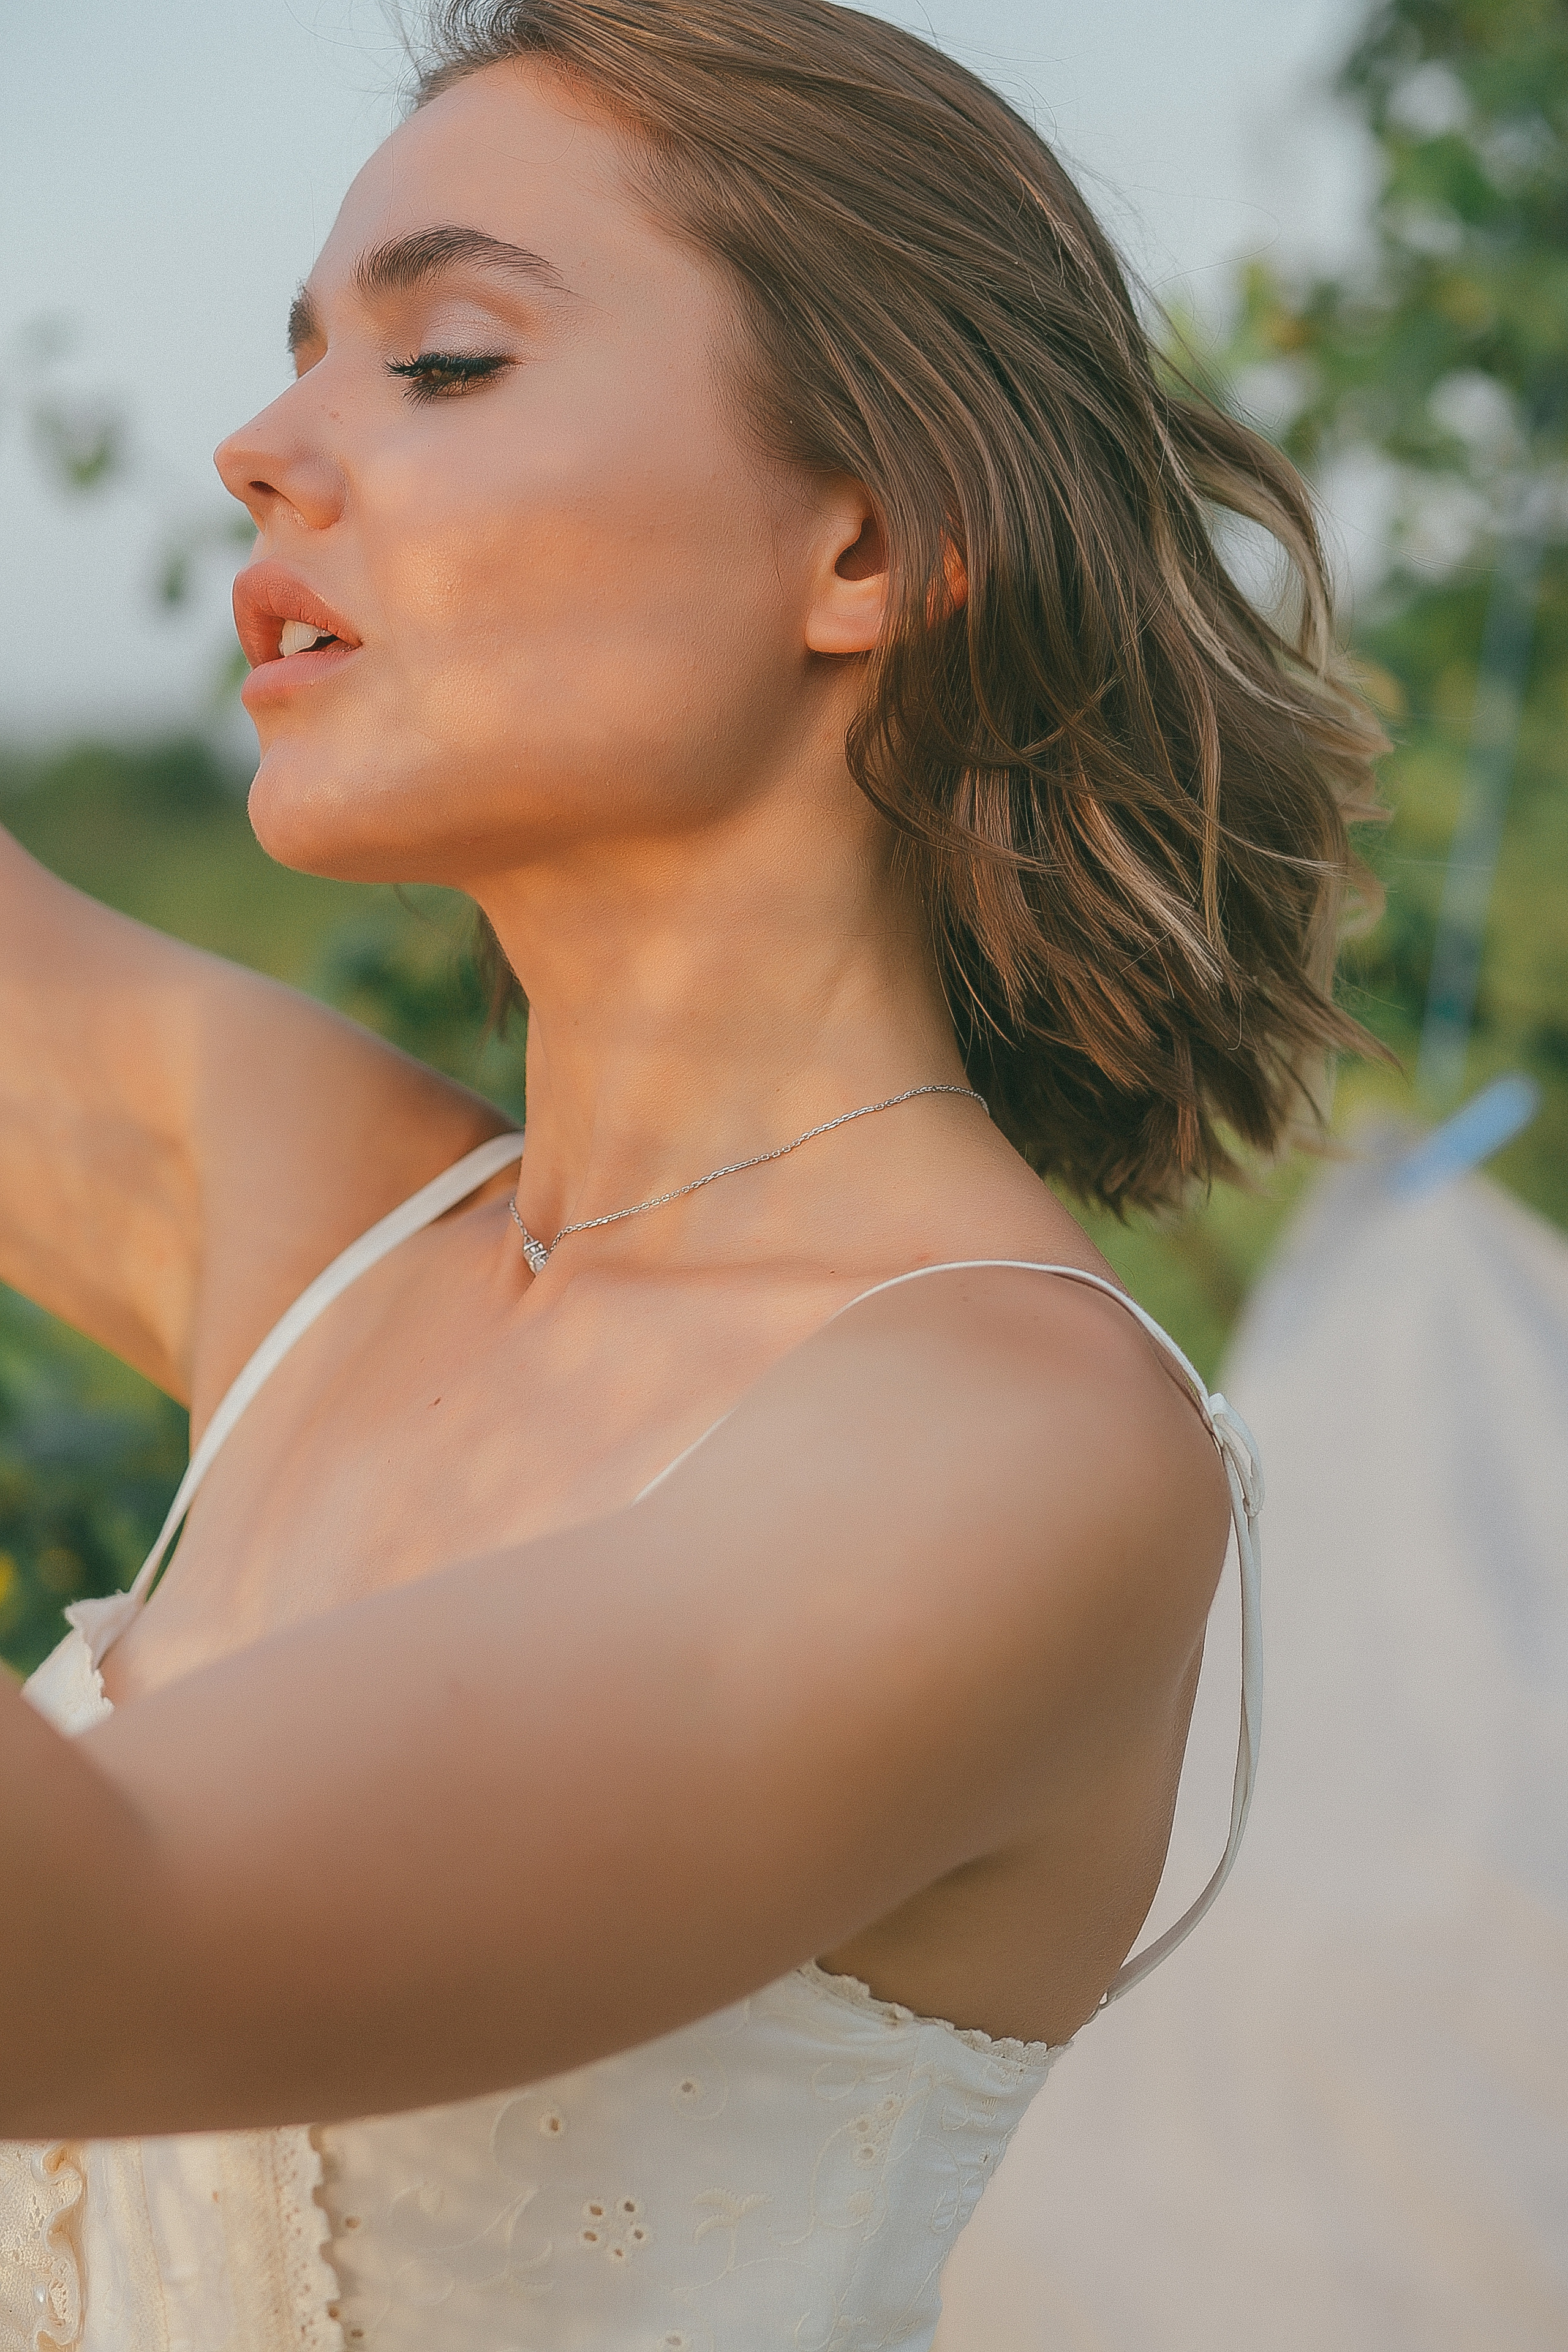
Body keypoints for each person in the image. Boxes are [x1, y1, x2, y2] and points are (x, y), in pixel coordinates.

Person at [0, 3, 1382, 2346]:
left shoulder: (1013, 1451)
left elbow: (93, 1949)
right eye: (297, 359)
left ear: (868, 540)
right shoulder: (348, 1243)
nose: (259, 448)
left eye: (444, 359)